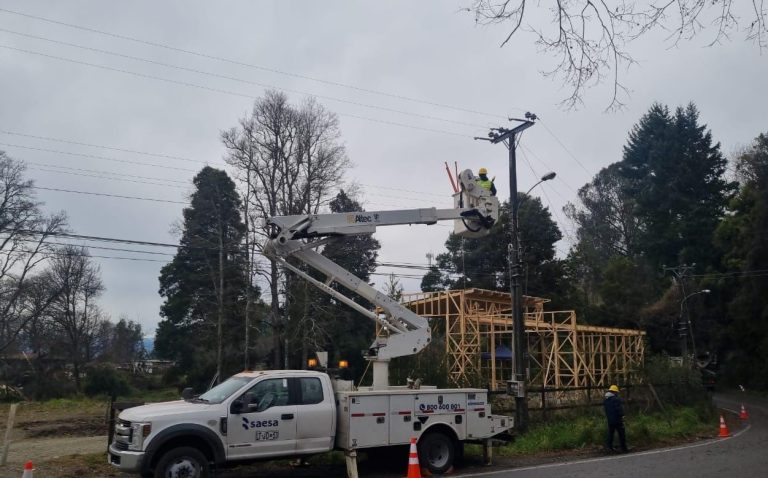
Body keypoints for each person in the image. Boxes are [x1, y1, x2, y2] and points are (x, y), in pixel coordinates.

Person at [603, 384, 628, 453]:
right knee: (622, 434)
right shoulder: (616, 399)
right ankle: (624, 448)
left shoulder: (605, 400)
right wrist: (622, 416)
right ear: (614, 392)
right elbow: (619, 409)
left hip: (610, 420)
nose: (617, 393)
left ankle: (609, 447)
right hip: (617, 420)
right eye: (616, 392)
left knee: (610, 433)